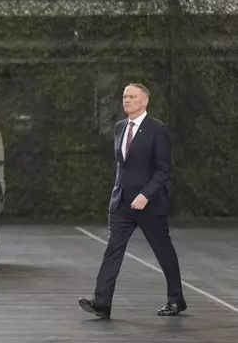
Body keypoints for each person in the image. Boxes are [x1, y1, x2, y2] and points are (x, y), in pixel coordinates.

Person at [78, 83, 186, 319]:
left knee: (163, 251)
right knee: (112, 251)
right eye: (124, 96)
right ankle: (102, 302)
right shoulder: (119, 128)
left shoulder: (158, 130)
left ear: (144, 101)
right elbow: (121, 166)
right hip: (121, 204)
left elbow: (164, 170)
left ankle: (176, 300)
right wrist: (117, 193)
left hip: (150, 204)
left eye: (132, 96)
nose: (126, 100)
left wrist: (146, 194)